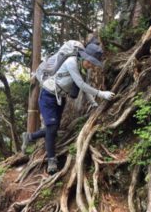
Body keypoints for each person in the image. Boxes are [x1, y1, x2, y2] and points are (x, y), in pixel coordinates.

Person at [21, 41, 115, 174]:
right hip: (48, 96)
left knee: (53, 128)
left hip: (60, 99)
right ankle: (51, 161)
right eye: (89, 61)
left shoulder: (81, 67)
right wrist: (101, 94)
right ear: (83, 56)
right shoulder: (71, 62)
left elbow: (83, 87)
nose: (90, 65)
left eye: (93, 63)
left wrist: (94, 103)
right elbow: (82, 85)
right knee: (52, 128)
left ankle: (29, 137)